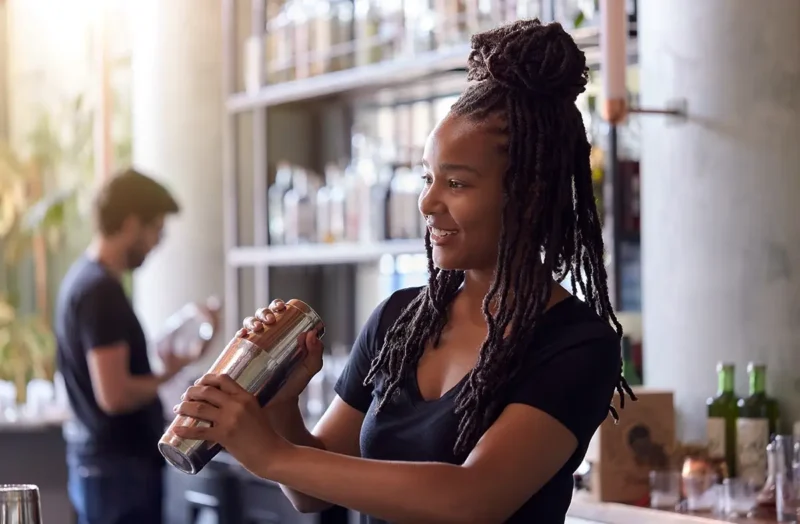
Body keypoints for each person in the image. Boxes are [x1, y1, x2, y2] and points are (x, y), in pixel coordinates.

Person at [173, 19, 636, 523]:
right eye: (427, 177)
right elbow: (311, 493)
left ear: (527, 196)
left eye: (456, 183)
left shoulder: (577, 345)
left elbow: (471, 498)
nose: (427, 202)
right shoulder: (402, 320)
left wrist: (270, 453)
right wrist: (284, 402)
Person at [55, 169, 211, 524]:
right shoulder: (100, 292)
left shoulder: (81, 281)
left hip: (100, 468)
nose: (157, 241)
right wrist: (168, 376)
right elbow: (115, 394)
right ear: (130, 224)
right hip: (118, 473)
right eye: (156, 228)